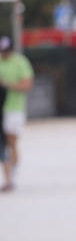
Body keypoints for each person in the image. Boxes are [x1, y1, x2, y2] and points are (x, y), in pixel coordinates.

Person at [0, 35, 34, 192]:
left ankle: (12, 177)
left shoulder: (20, 62)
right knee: (4, 144)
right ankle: (8, 178)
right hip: (2, 110)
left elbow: (27, 85)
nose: (4, 54)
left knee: (11, 143)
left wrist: (6, 84)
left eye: (6, 51)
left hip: (14, 109)